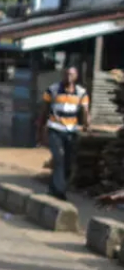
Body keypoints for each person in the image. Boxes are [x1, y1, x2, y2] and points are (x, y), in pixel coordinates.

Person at [38, 66, 90, 201]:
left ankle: (54, 188)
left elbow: (85, 110)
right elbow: (44, 110)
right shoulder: (52, 90)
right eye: (66, 74)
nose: (68, 77)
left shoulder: (81, 93)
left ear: (76, 76)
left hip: (71, 131)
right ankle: (60, 191)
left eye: (71, 75)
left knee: (67, 163)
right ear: (63, 75)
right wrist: (40, 129)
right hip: (55, 129)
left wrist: (86, 124)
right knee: (59, 157)